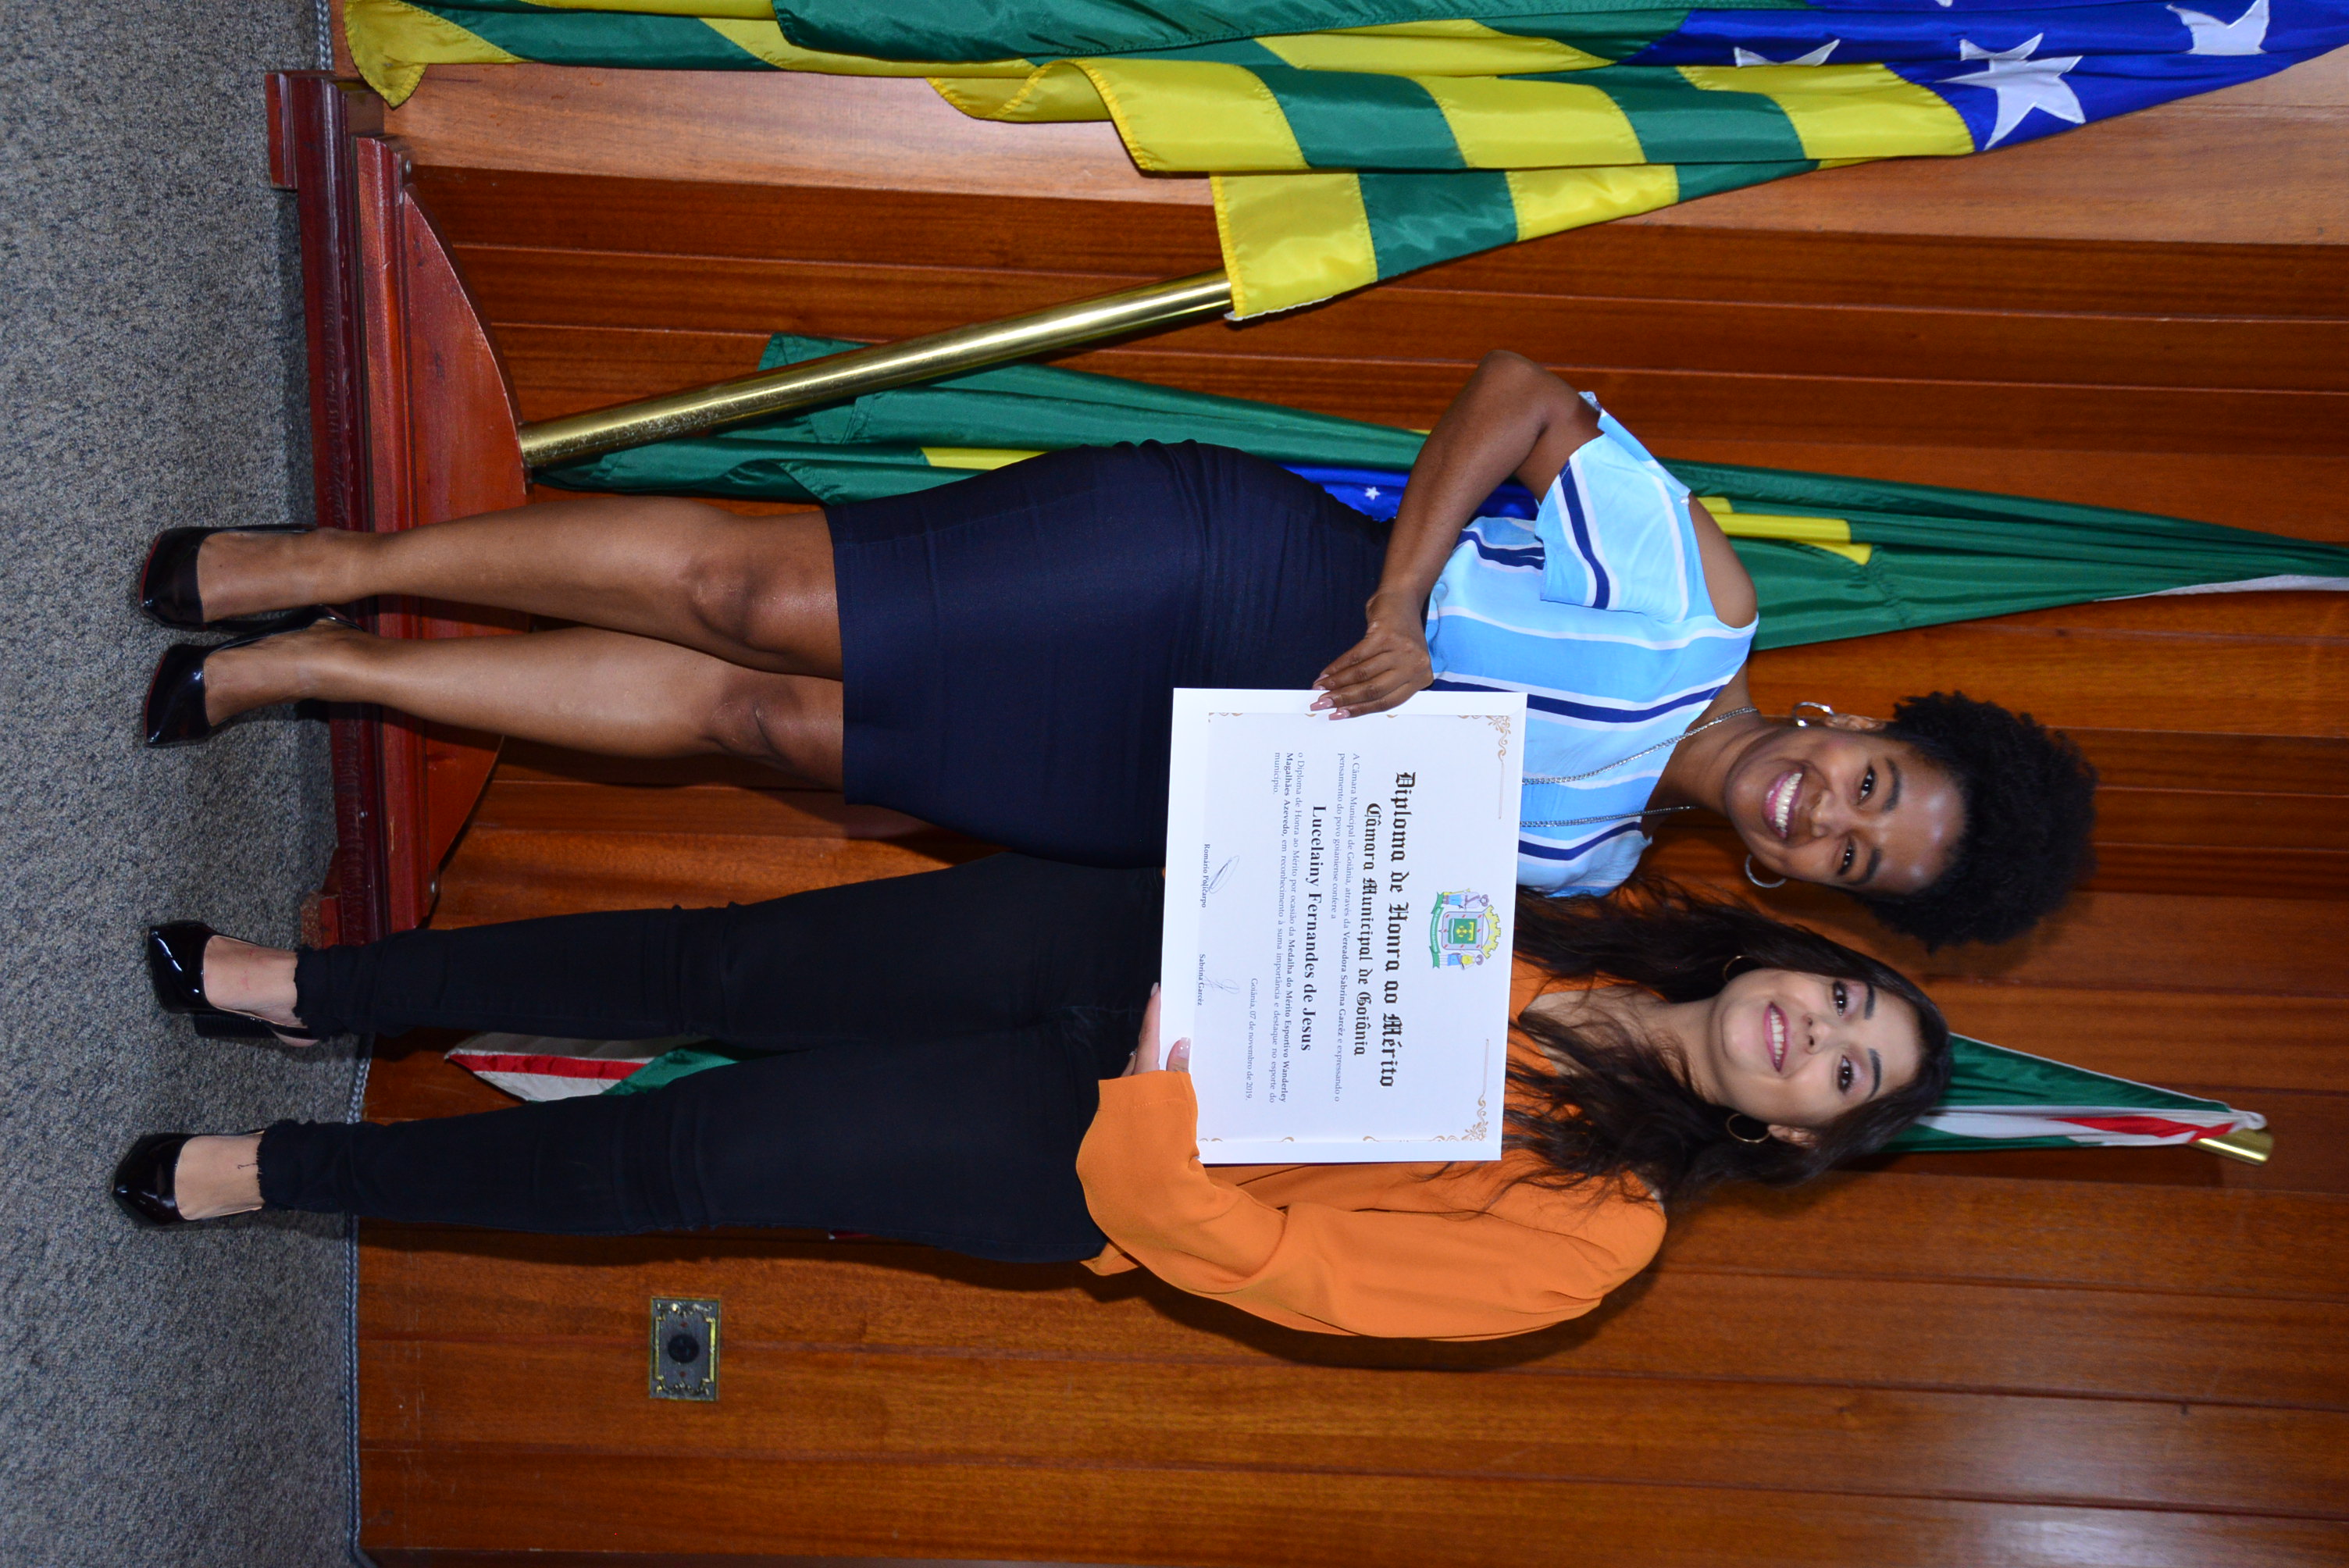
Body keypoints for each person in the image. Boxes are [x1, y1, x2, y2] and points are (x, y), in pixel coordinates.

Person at [138, 352, 2093, 947]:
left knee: (761, 724)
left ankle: (326, 671)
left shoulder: (1583, 868)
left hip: (1163, 778)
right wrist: (1398, 605)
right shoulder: (1697, 609)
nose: (1822, 811)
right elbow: (1519, 394)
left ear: (1801, 881)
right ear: (1858, 716)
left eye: (1852, 852)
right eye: (1871, 781)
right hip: (1217, 581)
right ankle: (333, 559)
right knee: (754, 597)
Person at [116, 856, 1951, 1341]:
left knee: (690, 1151)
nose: (1819, 1031)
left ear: (1795, 1135)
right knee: (709, 967)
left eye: (1848, 1072)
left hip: (1083, 1150)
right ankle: (312, 987)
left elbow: (1285, 1266)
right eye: (1847, 997)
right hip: (1109, 934)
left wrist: (1151, 1108)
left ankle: (279, 1167)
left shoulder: (1599, 1233)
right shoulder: (1575, 899)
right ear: (1799, 957)